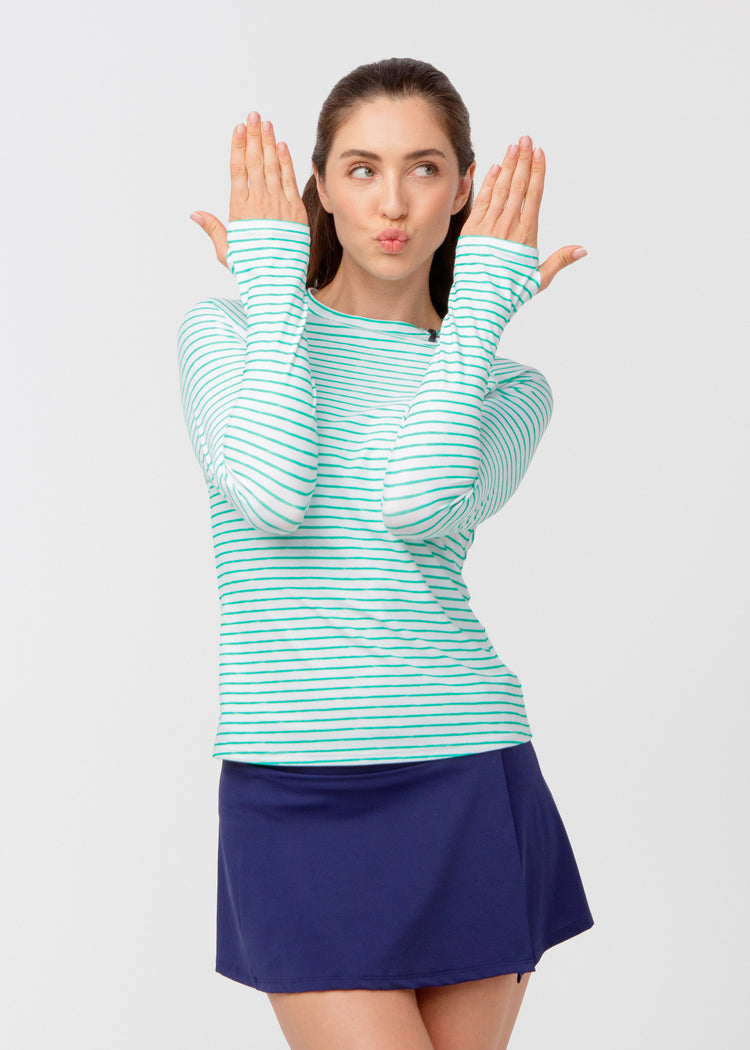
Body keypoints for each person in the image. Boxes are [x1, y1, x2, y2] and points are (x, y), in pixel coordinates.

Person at [178, 57, 594, 1050]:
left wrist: (480, 315)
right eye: (362, 170)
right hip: (296, 782)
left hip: (464, 772)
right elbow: (272, 498)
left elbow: (415, 506)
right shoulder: (228, 331)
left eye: (424, 168)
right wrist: (279, 288)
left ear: (465, 187)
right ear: (317, 187)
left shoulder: (507, 386)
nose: (395, 201)